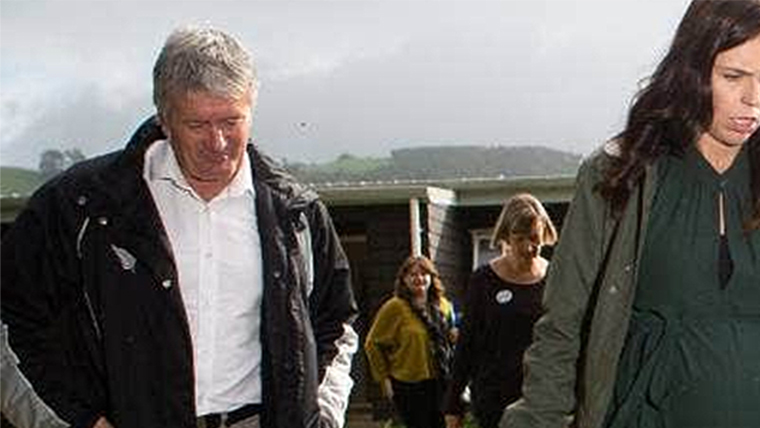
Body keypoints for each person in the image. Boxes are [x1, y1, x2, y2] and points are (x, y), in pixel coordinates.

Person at [0, 26, 359, 428]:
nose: (218, 142)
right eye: (198, 124)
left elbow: (336, 323)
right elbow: (13, 322)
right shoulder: (78, 206)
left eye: (231, 121)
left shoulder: (298, 215)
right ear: (164, 118)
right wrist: (78, 421)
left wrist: (321, 417)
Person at [501, 1, 760, 427]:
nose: (752, 99)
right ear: (691, 70)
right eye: (733, 76)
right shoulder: (620, 174)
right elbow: (563, 325)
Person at [443, 194, 557, 428]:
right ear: (506, 236)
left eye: (535, 239)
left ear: (545, 234)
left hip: (543, 395)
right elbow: (466, 345)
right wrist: (453, 404)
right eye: (520, 238)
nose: (528, 247)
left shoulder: (556, 277)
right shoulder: (484, 280)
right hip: (495, 399)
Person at [364, 255, 457, 428]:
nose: (419, 278)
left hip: (441, 381)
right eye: (413, 274)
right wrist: (384, 379)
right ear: (404, 279)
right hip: (409, 384)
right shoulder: (395, 307)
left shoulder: (443, 305)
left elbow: (452, 338)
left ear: (431, 277)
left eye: (423, 274)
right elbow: (372, 343)